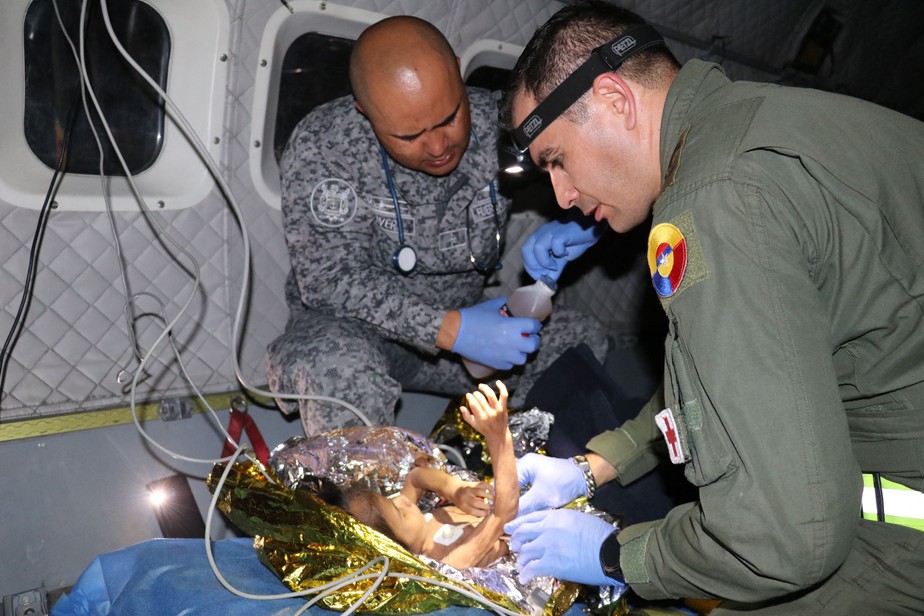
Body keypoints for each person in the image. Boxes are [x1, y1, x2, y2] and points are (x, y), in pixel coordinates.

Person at [496, 1, 924, 614]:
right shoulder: (771, 120)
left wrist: (616, 554)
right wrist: (596, 467)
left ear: (615, 98)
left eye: (557, 159)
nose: (562, 196)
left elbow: (784, 538)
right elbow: (736, 376)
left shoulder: (713, 203)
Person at [267, 15, 608, 436]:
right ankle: (374, 499)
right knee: (335, 362)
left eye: (449, 117)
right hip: (355, 336)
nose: (437, 146)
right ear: (365, 114)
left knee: (580, 340)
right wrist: (449, 329)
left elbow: (600, 161)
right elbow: (328, 281)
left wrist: (588, 217)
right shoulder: (326, 144)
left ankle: (515, 476)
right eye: (408, 136)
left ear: (460, 73)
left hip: (464, 346)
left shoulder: (501, 121)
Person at [323, 382, 516, 570]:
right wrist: (499, 438)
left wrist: (454, 489)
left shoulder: (418, 523)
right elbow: (503, 514)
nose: (402, 500)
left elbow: (416, 478)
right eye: (400, 513)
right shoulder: (449, 562)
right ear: (400, 553)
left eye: (390, 501)